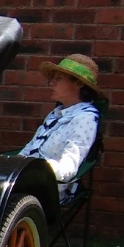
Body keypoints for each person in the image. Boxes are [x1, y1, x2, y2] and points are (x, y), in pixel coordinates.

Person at [20, 53, 103, 203]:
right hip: (24, 179)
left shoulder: (85, 119)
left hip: (47, 188)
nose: (51, 83)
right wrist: (12, 166)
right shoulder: (56, 114)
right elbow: (30, 148)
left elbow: (67, 169)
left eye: (58, 78)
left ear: (78, 83)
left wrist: (33, 168)